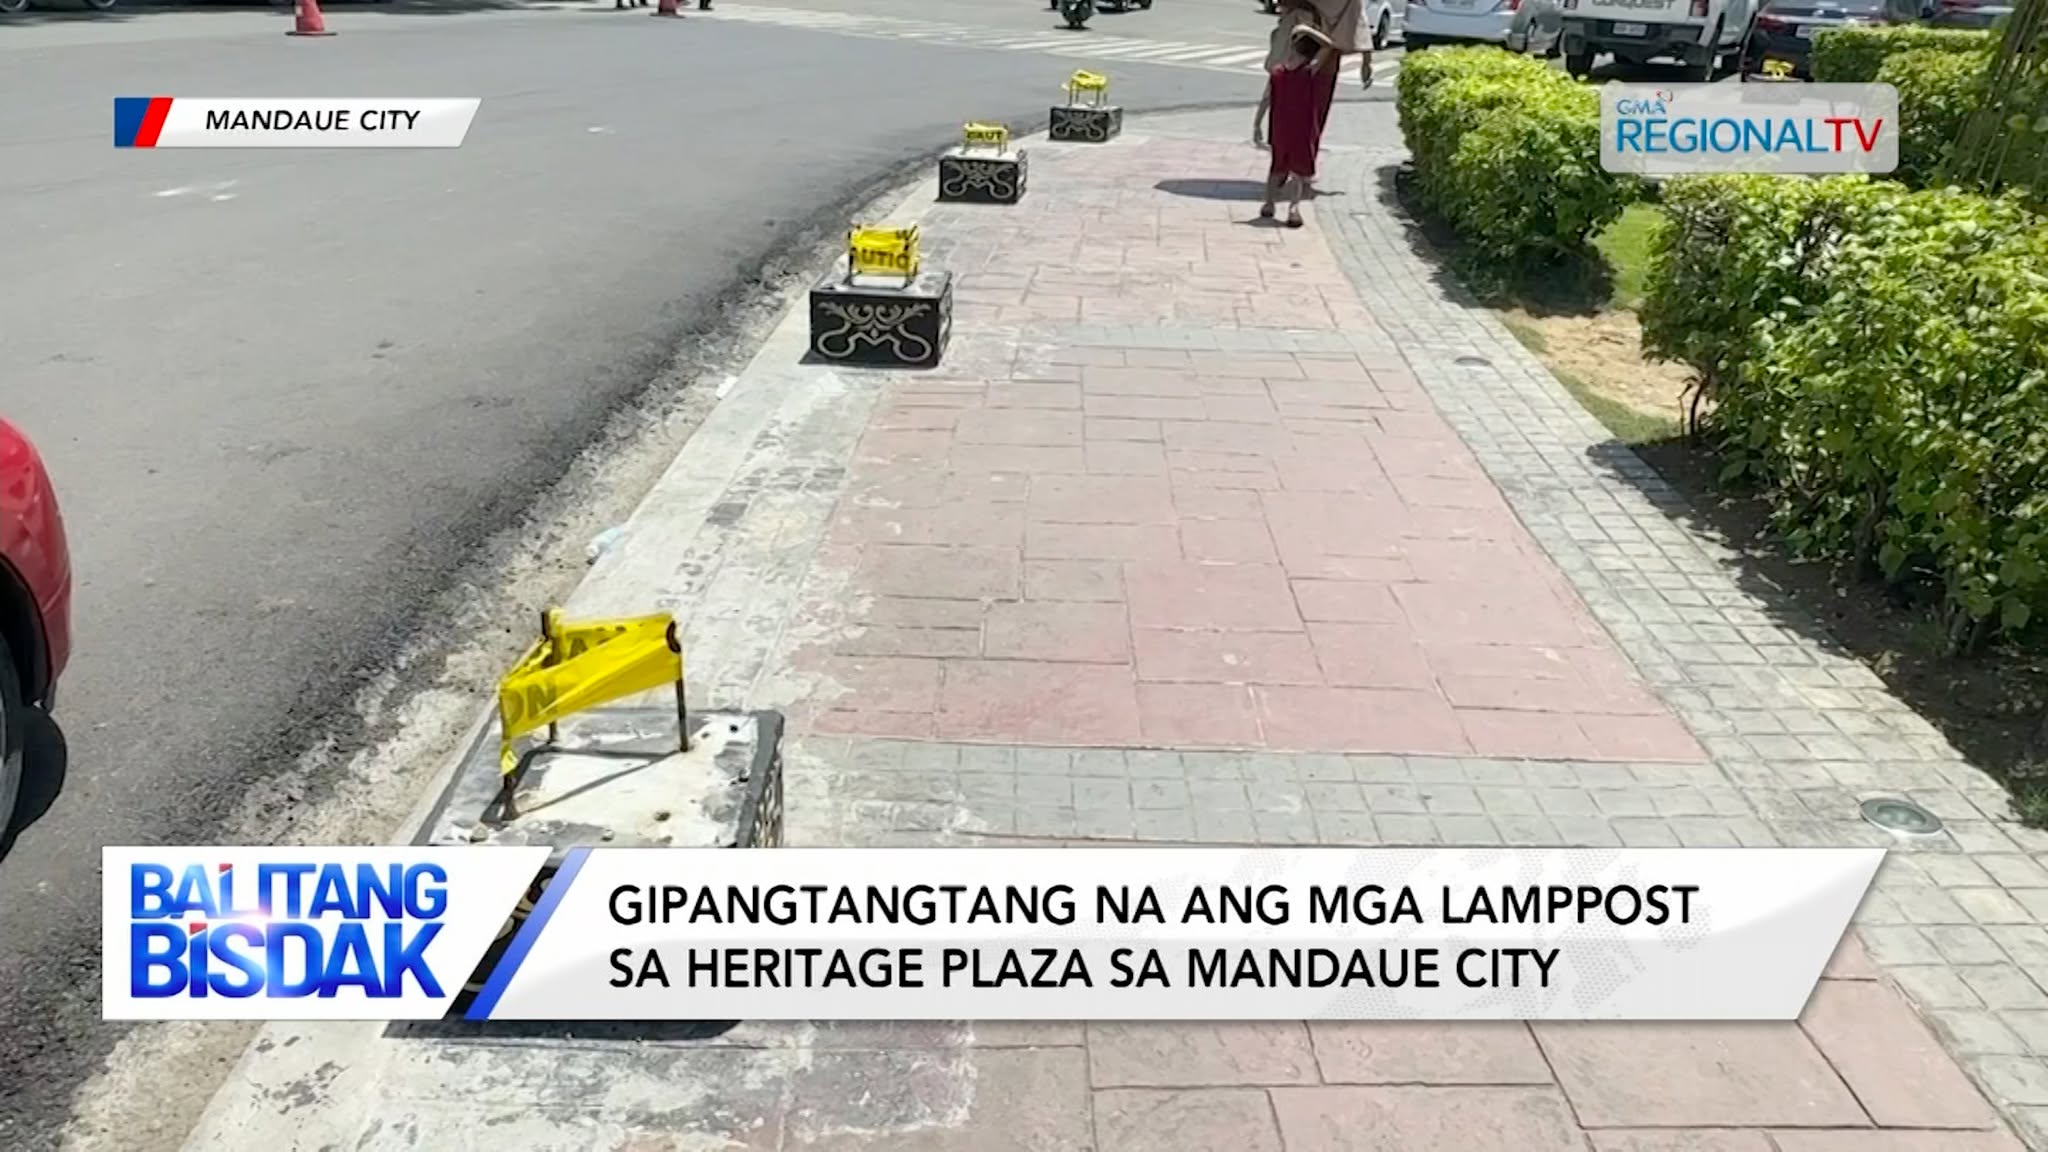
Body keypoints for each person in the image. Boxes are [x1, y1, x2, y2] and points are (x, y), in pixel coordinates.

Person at [1261, 24, 1335, 229]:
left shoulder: (1278, 72)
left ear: (1292, 49)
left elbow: (1266, 98)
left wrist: (1257, 123)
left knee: (1277, 166)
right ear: (1311, 55)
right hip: (1302, 127)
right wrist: (1307, 30)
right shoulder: (1309, 71)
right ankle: (1294, 208)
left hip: (1279, 126)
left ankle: (1269, 203)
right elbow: (1329, 45)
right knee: (1299, 171)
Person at [1252, 0, 1321, 149]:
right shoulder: (1288, 22)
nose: (1279, 7)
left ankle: (1264, 130)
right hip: (1286, 66)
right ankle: (1262, 129)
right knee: (1274, 98)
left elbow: (1309, 35)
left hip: (1290, 66)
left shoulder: (1299, 16)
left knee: (1278, 101)